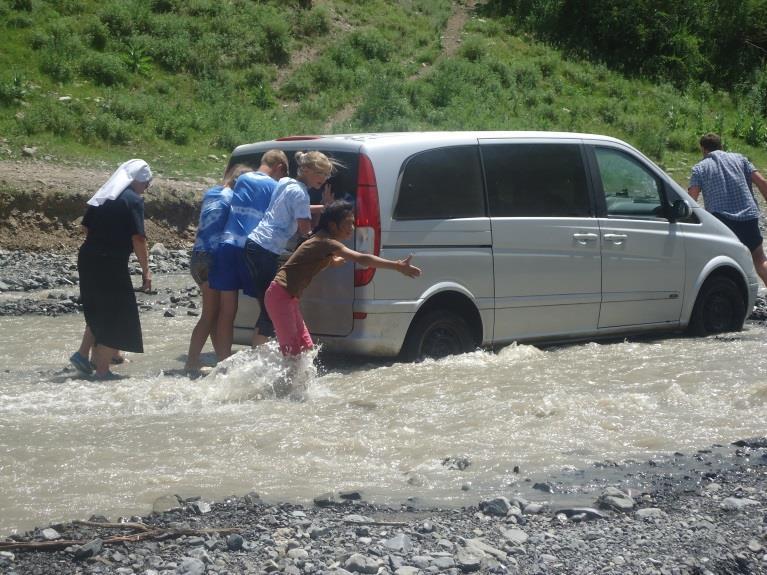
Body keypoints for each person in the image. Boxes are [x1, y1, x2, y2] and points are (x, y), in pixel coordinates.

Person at [264, 200, 421, 356]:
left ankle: (300, 381)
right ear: (333, 225)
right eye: (347, 224)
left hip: (287, 297)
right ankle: (270, 378)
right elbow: (362, 259)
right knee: (293, 352)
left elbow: (313, 258)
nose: (352, 228)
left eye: (353, 223)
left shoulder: (322, 240)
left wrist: (333, 262)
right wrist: (396, 266)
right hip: (280, 296)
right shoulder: (327, 242)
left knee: (306, 349)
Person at [244, 151, 337, 347]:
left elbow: (296, 207)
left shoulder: (286, 182)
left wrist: (323, 207)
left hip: (255, 245)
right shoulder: (301, 193)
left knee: (267, 305)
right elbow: (306, 233)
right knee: (269, 309)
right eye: (320, 173)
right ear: (306, 170)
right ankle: (257, 357)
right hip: (265, 249)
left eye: (327, 175)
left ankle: (259, 354)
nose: (324, 178)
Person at [70, 159, 152, 379]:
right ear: (138, 181)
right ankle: (103, 370)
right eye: (147, 184)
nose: (146, 189)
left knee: (99, 307)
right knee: (115, 312)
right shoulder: (133, 200)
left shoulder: (104, 194)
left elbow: (86, 227)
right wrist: (146, 270)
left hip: (88, 257)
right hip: (110, 261)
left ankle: (90, 355)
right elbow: (138, 238)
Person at [209, 149, 289, 359]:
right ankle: (258, 359)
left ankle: (223, 362)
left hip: (226, 246)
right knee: (266, 308)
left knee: (227, 311)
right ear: (279, 167)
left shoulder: (242, 178)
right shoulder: (276, 186)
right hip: (252, 250)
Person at [184, 163, 253, 373]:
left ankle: (221, 357)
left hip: (197, 257)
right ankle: (194, 360)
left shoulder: (211, 193)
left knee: (211, 314)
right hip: (215, 257)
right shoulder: (234, 200)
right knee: (214, 314)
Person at [688, 133, 767, 285]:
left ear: (703, 149)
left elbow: (692, 198)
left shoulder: (699, 168)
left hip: (721, 222)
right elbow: (761, 182)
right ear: (721, 146)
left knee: (722, 263)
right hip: (748, 216)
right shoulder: (740, 159)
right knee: (759, 258)